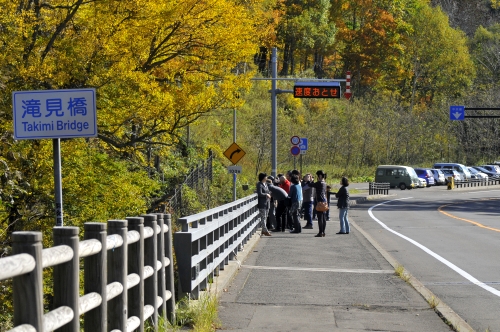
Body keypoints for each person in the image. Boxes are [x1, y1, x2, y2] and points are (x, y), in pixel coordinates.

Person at [310, 170, 328, 237]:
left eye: (318, 176)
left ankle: (320, 232)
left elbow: (310, 185)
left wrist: (310, 180)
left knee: (320, 217)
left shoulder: (319, 183)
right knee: (323, 217)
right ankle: (323, 232)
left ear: (320, 176)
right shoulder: (324, 183)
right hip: (324, 201)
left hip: (319, 201)